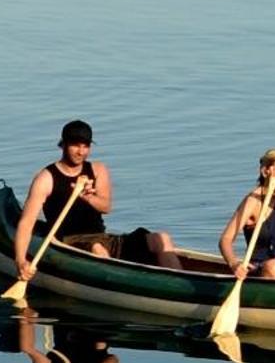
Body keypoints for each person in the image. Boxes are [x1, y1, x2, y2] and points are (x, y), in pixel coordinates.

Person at [13, 119, 180, 281]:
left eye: (85, 146)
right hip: (69, 243)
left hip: (103, 237)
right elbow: (26, 223)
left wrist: (88, 197)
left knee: (161, 238)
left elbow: (106, 207)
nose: (81, 152)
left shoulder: (98, 170)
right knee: (97, 249)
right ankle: (120, 287)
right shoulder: (46, 178)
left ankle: (179, 285)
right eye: (75, 145)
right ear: (63, 144)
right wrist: (21, 261)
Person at [219, 148, 275, 281]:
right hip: (262, 268)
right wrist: (234, 264)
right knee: (274, 266)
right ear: (265, 171)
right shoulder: (253, 201)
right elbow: (225, 240)